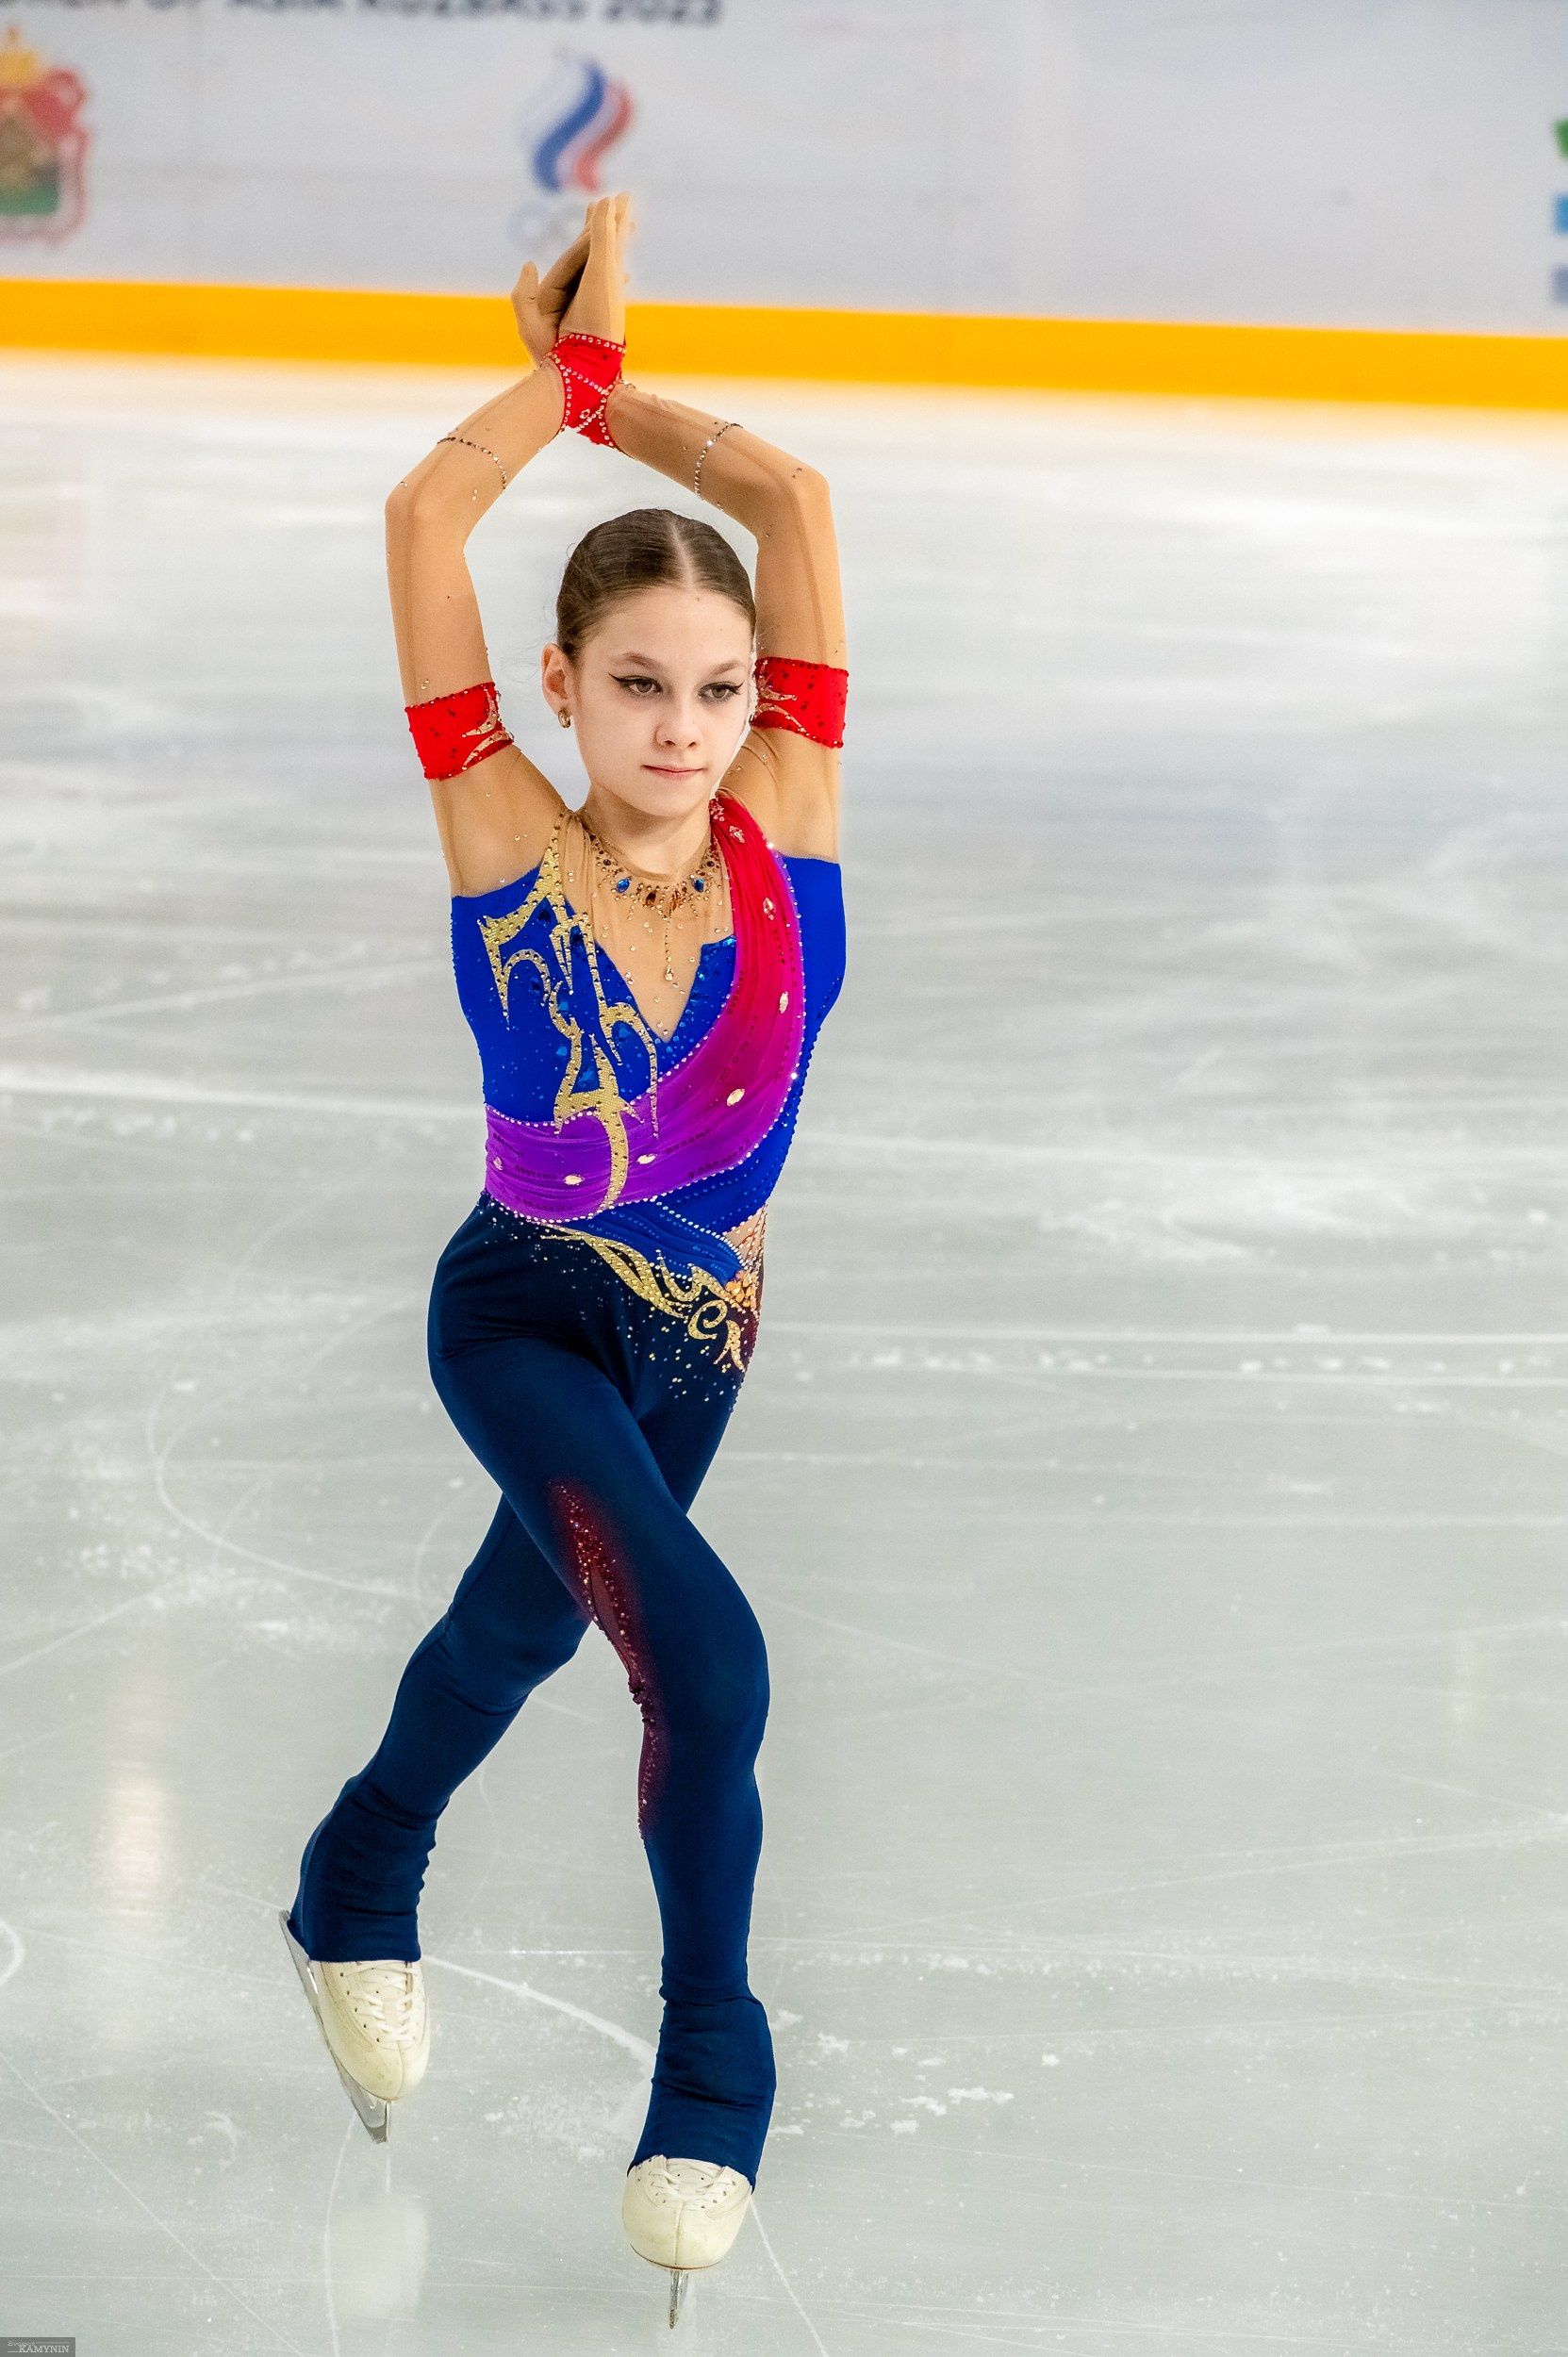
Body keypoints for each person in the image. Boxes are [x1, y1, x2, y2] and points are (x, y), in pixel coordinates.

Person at [277, 193, 848, 2310]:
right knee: (708, 1662)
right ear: (562, 686)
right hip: (525, 1315)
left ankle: (358, 1866)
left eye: (716, 686)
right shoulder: (503, 829)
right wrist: (562, 389)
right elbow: (427, 514)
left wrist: (634, 406)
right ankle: (714, 2065)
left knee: (522, 1628)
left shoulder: (793, 809)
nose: (682, 726)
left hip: (709, 1342)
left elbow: (789, 500)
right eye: (636, 686)